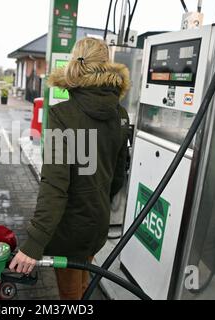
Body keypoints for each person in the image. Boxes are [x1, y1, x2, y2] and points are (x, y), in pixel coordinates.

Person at [9, 37, 130, 300]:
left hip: (69, 229)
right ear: (106, 65)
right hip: (98, 223)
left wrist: (34, 244)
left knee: (71, 293)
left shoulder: (62, 114)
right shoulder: (121, 115)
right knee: (84, 281)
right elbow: (118, 177)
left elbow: (55, 186)